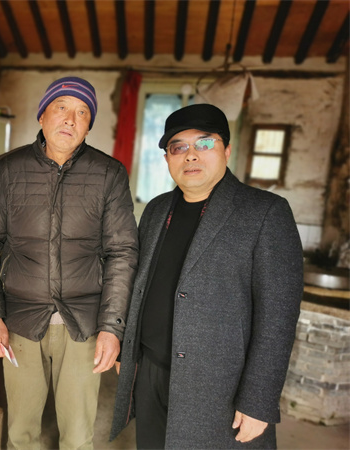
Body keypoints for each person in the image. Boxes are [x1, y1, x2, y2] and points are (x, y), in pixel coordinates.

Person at [110, 103, 304, 449]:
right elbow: (140, 288)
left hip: (219, 386)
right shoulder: (156, 209)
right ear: (167, 159)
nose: (191, 155)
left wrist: (258, 400)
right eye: (178, 147)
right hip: (151, 371)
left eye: (204, 143)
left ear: (226, 150)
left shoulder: (265, 212)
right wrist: (129, 352)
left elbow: (278, 318)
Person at [0, 76, 139, 449]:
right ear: (42, 116)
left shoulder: (108, 174)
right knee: (22, 433)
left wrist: (112, 328)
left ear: (89, 126)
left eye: (82, 112)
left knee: (78, 435)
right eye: (61, 107)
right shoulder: (9, 169)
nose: (70, 119)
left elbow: (122, 252)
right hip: (20, 319)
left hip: (83, 322)